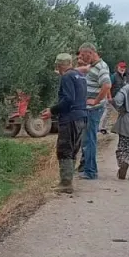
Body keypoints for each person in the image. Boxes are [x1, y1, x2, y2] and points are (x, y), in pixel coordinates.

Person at [50, 53, 88, 193]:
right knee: (73, 149)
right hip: (82, 117)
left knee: (64, 149)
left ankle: (66, 183)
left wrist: (52, 110)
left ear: (60, 66)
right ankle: (68, 180)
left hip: (70, 118)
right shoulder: (80, 77)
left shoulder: (66, 77)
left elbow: (68, 100)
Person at [75, 43, 113, 180]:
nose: (82, 58)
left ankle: (91, 172)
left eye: (83, 55)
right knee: (86, 140)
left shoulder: (101, 67)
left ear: (90, 53)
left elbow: (107, 84)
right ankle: (85, 167)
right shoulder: (93, 66)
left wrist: (96, 101)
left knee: (89, 140)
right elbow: (83, 70)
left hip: (93, 110)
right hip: (89, 109)